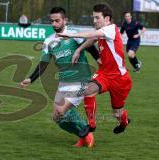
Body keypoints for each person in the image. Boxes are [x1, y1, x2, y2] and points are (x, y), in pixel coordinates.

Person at [20, 7, 100, 148]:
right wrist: (31, 79)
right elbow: (44, 62)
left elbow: (91, 47)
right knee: (57, 118)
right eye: (52, 21)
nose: (54, 24)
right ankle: (82, 136)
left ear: (65, 20)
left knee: (62, 110)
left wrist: (100, 61)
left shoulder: (74, 34)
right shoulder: (49, 41)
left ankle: (87, 133)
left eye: (57, 21)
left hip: (81, 78)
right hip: (64, 81)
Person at [57, 3, 132, 135]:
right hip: (104, 73)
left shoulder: (111, 29)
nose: (94, 21)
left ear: (107, 19)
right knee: (88, 90)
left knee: (117, 113)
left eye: (97, 18)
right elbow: (93, 38)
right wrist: (79, 49)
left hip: (120, 79)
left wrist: (70, 35)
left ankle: (124, 121)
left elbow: (92, 33)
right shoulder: (103, 32)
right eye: (94, 17)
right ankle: (91, 125)